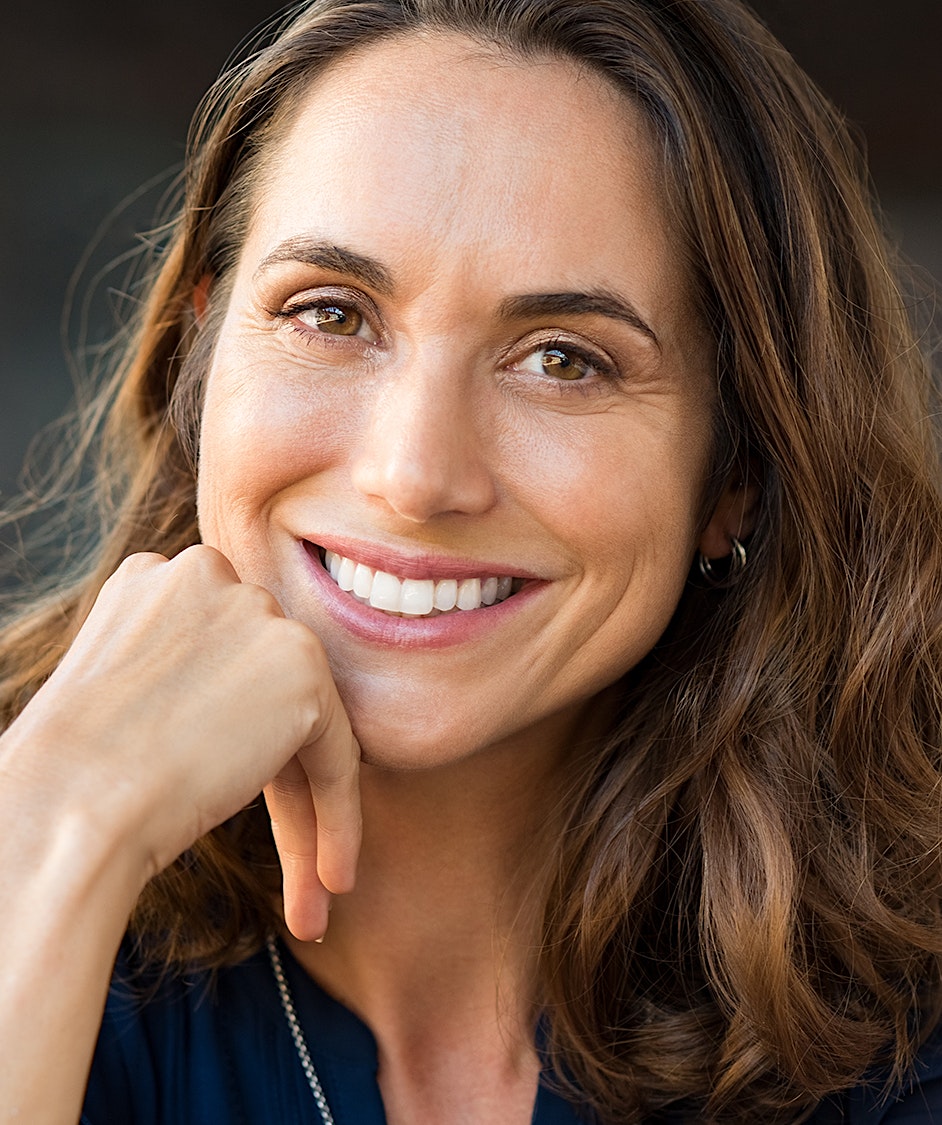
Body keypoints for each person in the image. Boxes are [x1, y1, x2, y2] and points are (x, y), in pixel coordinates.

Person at [2, 0, 941, 1121]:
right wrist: (58, 825)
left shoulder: (901, 1037)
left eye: (562, 359)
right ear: (205, 359)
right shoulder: (45, 848)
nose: (415, 474)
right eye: (331, 314)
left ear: (735, 475)